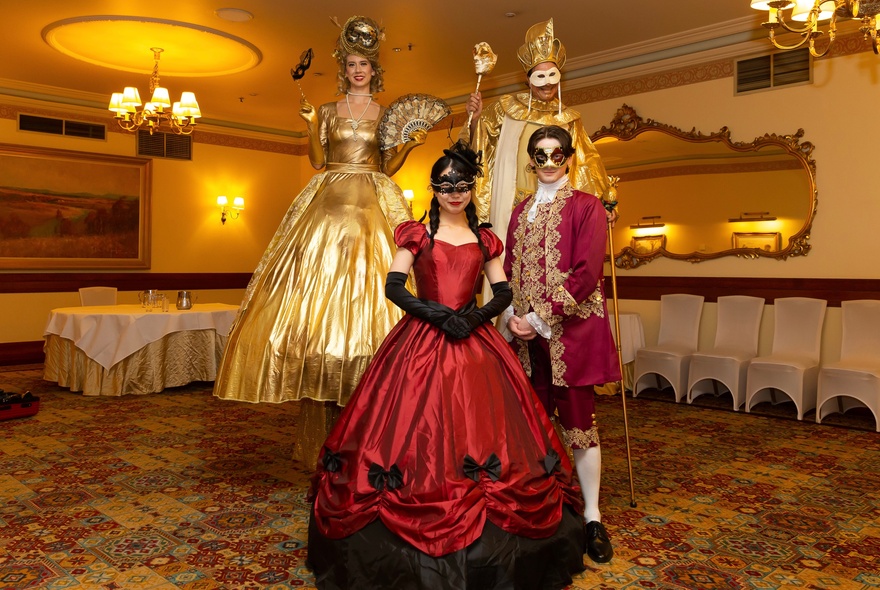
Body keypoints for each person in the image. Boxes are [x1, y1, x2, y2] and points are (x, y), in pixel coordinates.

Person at [307, 142, 587, 590]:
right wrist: (438, 314)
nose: (454, 193)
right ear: (434, 190)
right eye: (445, 186)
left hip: (474, 339)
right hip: (421, 338)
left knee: (485, 422)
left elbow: (502, 292)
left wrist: (474, 317)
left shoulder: (486, 237)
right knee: (410, 424)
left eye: (462, 185)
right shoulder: (416, 233)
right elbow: (394, 287)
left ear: (471, 188)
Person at [213, 16, 426, 468]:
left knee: (381, 288)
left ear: (373, 68)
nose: (358, 70)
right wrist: (312, 123)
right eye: (351, 63)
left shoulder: (386, 113)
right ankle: (321, 438)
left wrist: (411, 144)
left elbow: (386, 166)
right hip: (328, 202)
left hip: (373, 202)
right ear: (343, 67)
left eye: (364, 63)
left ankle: (374, 437)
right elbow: (316, 160)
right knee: (317, 289)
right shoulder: (328, 110)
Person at [503, 125, 621, 564]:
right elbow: (512, 268)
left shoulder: (588, 207)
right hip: (526, 338)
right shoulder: (520, 210)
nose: (549, 162)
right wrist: (514, 317)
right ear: (531, 160)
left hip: (570, 333)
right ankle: (542, 504)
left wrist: (538, 317)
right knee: (531, 422)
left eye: (557, 154)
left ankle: (592, 515)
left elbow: (587, 273)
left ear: (569, 158)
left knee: (579, 425)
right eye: (540, 154)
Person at [464, 18, 614, 246]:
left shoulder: (570, 119)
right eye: (539, 77)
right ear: (527, 79)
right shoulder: (506, 108)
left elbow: (586, 163)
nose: (547, 84)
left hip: (555, 207)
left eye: (552, 75)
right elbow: (480, 149)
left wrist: (603, 203)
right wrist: (475, 120)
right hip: (511, 205)